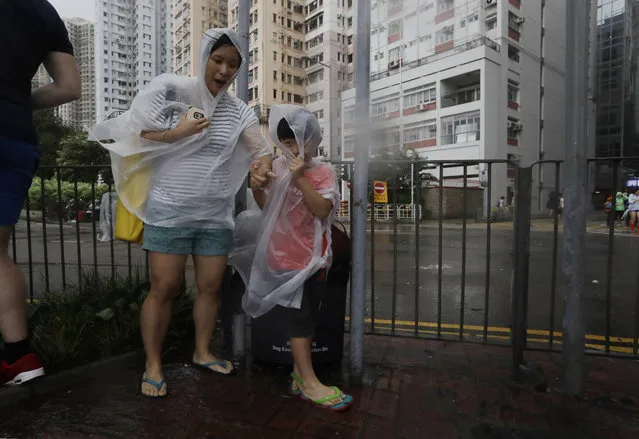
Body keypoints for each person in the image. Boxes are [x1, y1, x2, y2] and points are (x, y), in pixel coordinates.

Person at [91, 29, 274, 398]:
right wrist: (176, 133)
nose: (223, 70)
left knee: (209, 288)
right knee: (164, 287)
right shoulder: (171, 92)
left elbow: (261, 148)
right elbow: (135, 132)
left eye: (232, 65)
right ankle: (153, 363)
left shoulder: (238, 111)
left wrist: (262, 166)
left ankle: (203, 351)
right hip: (168, 211)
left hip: (215, 217)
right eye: (217, 60)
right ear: (204, 57)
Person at [242, 105, 353, 411]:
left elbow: (322, 210)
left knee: (310, 315)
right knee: (299, 319)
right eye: (287, 142)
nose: (293, 149)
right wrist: (257, 187)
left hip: (314, 258)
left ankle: (297, 372)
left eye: (300, 142)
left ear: (314, 141)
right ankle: (308, 382)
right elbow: (266, 206)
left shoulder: (323, 171)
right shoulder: (275, 167)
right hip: (282, 256)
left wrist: (302, 177)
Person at [0, 1, 81, 386]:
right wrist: (16, 102)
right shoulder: (43, 11)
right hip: (15, 137)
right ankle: (20, 357)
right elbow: (68, 87)